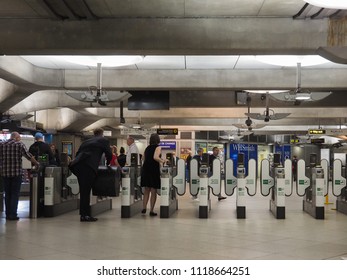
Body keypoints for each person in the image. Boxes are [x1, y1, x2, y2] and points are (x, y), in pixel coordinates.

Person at [71, 128, 112, 222]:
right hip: (88, 167)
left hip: (78, 167)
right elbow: (109, 154)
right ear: (102, 134)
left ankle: (83, 215)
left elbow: (77, 154)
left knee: (83, 191)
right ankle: (86, 215)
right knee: (86, 191)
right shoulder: (103, 140)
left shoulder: (86, 141)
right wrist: (108, 164)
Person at [0, 132, 39, 220]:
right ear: (16, 137)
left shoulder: (2, 144)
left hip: (5, 174)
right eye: (19, 138)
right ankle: (13, 215)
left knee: (7, 194)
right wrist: (37, 163)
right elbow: (29, 156)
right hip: (16, 173)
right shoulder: (19, 145)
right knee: (14, 194)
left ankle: (7, 214)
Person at [140, 133, 166, 216]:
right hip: (153, 170)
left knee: (147, 190)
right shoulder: (158, 147)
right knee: (153, 190)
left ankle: (144, 208)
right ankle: (151, 210)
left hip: (145, 169)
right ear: (158, 140)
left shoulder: (147, 148)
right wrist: (163, 160)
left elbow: (143, 158)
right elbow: (155, 157)